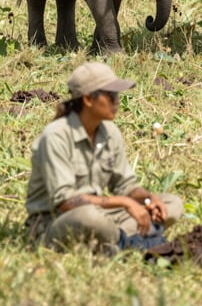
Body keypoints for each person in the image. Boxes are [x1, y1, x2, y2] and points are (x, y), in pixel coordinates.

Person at [25, 61, 183, 253]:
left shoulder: (109, 131)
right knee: (90, 218)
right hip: (55, 221)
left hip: (101, 213)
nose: (117, 101)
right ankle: (131, 241)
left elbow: (125, 185)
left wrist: (148, 199)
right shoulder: (56, 136)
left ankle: (119, 241)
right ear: (88, 100)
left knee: (172, 204)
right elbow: (66, 202)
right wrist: (124, 203)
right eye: (110, 95)